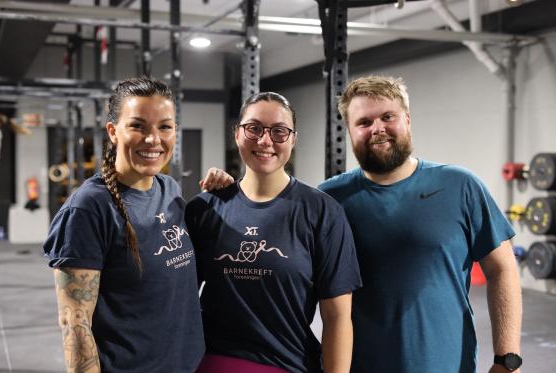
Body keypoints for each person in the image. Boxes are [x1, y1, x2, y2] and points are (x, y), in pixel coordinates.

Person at [318, 75, 522, 373]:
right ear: (349, 130)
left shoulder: (460, 186)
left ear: (407, 120)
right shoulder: (329, 199)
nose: (378, 129)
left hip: (448, 366)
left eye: (388, 116)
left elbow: (502, 268)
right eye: (363, 122)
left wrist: (508, 359)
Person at [43, 77, 233, 373]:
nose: (153, 139)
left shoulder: (169, 189)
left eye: (164, 127)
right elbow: (75, 324)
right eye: (137, 125)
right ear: (113, 132)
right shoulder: (89, 208)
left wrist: (223, 197)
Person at [185, 92, 362, 373]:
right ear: (237, 133)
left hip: (287, 364)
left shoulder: (322, 212)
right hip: (213, 362)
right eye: (254, 128)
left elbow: (337, 317)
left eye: (279, 131)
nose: (265, 141)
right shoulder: (204, 210)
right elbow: (177, 300)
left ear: (293, 139)